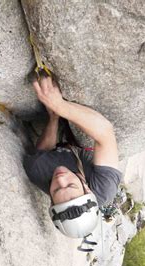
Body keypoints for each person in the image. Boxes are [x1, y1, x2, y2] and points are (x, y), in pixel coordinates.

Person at [23, 75, 122, 238]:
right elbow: (105, 132)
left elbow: (43, 153)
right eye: (70, 186)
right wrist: (60, 105)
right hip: (93, 151)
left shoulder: (36, 171)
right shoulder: (104, 188)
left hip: (67, 145)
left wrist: (54, 117)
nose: (60, 179)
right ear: (87, 189)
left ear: (51, 200)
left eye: (55, 190)